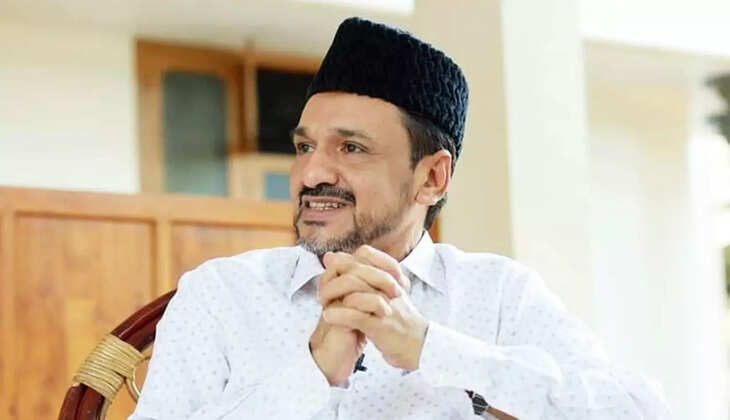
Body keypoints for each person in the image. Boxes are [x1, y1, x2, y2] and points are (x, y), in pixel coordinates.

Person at [130, 17, 670, 420]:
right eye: (304, 147)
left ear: (432, 177)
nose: (311, 173)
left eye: (351, 148)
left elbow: (636, 412)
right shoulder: (222, 294)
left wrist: (431, 347)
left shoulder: (501, 296)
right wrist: (313, 373)